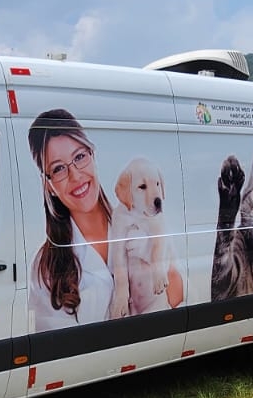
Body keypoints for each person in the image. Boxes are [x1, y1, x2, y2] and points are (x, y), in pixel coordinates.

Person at [26, 110, 184, 331]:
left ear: (93, 155)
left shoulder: (142, 217)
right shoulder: (44, 268)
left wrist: (154, 263)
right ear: (48, 185)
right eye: (59, 169)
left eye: (80, 157)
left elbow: (178, 295)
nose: (76, 176)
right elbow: (56, 343)